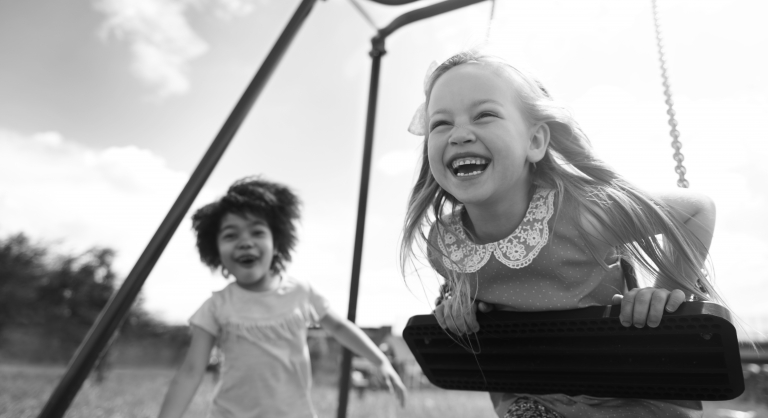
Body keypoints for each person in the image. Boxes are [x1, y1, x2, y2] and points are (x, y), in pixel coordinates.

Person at [400, 50, 722, 418]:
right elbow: (472, 295)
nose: (458, 135)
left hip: (625, 394)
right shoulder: (445, 244)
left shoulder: (580, 213)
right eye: (441, 123)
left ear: (535, 142)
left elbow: (697, 209)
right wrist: (457, 309)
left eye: (484, 115)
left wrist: (664, 290)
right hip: (532, 398)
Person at [158, 177, 406, 418]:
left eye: (257, 232)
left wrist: (380, 360)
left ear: (276, 244)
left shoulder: (300, 292)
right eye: (231, 235)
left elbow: (340, 327)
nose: (245, 242)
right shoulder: (216, 306)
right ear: (216, 251)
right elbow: (191, 371)